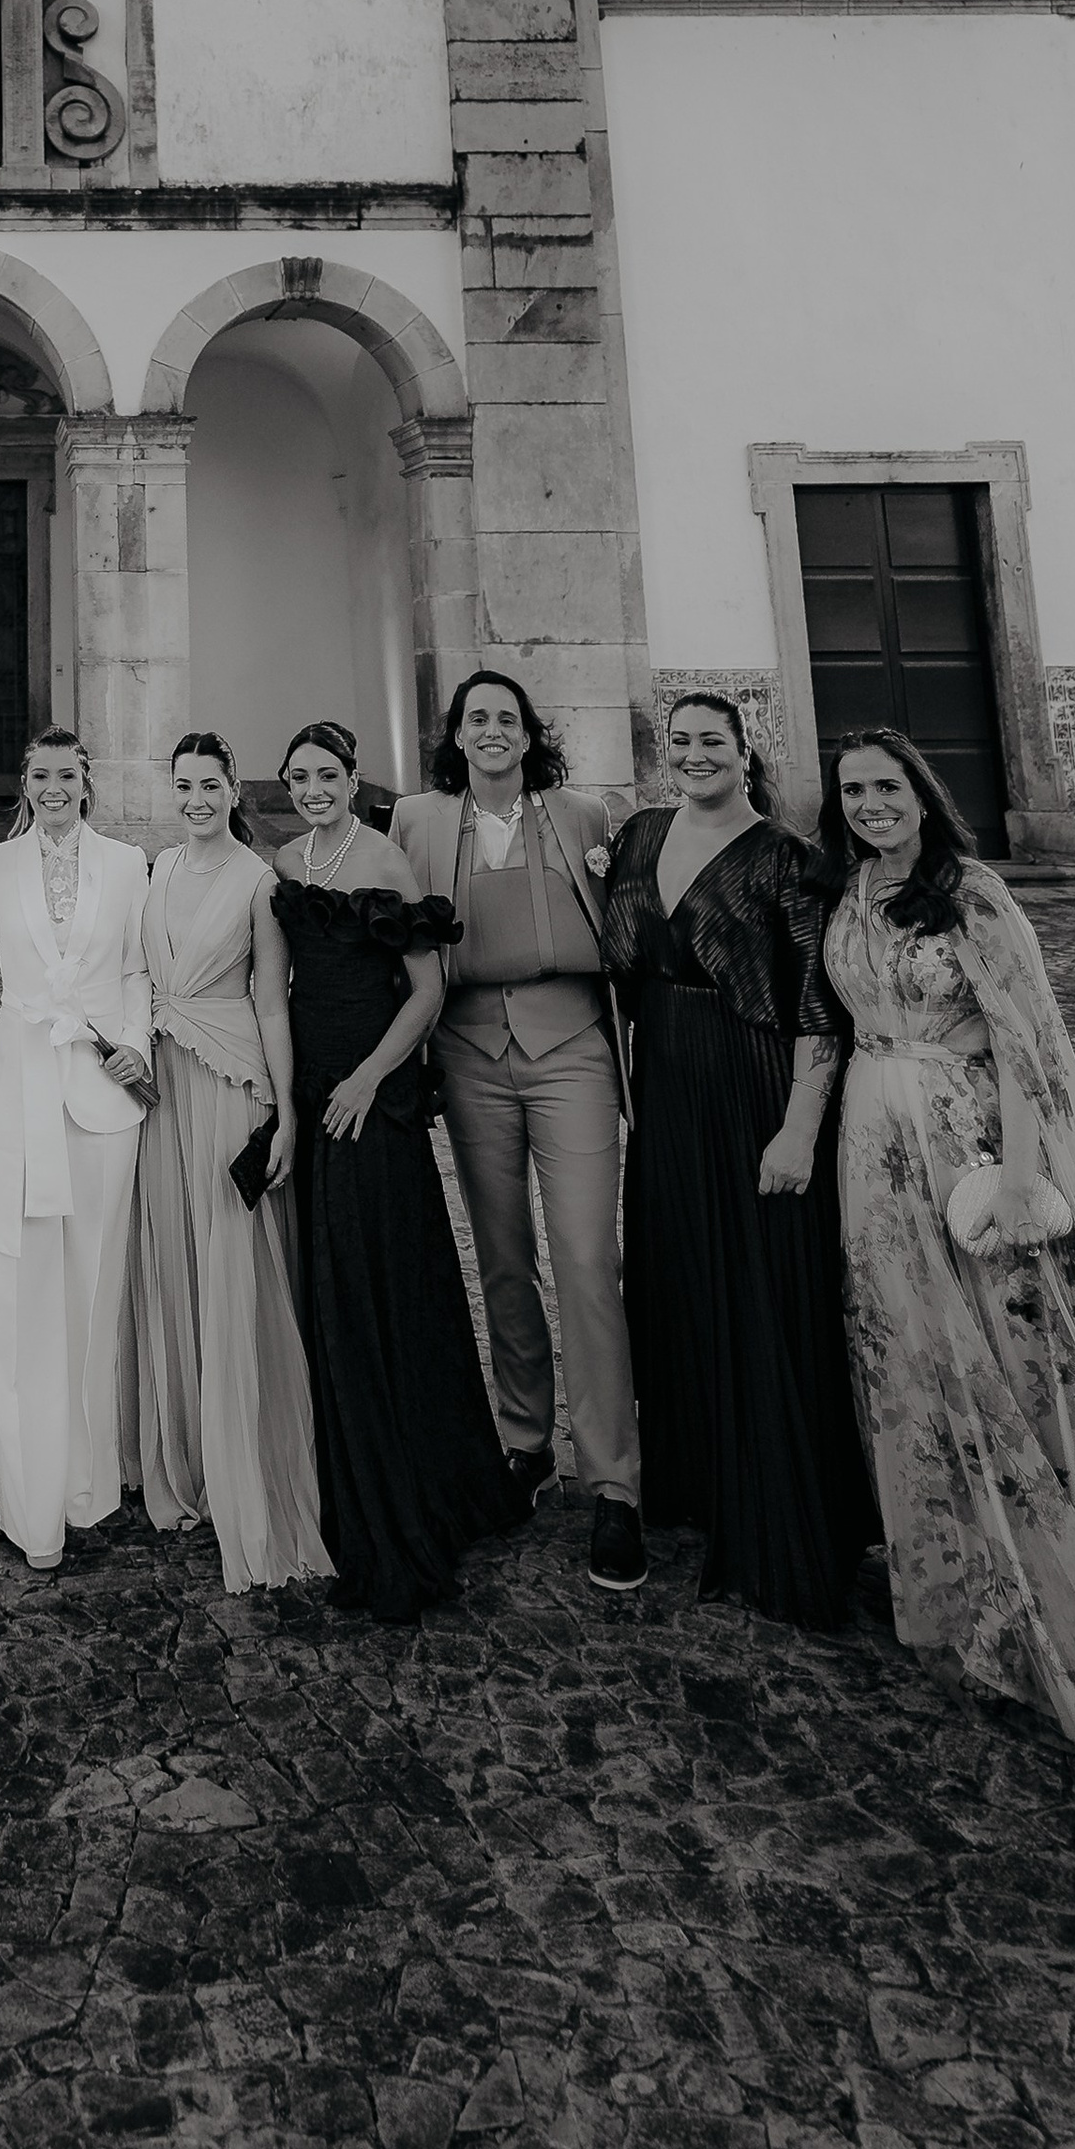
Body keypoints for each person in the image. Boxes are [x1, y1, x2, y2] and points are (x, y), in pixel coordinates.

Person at [822, 725, 1075, 1786]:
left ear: (921, 791)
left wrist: (1014, 1174)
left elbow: (1023, 1043)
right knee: (909, 1353)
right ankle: (960, 1577)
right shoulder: (850, 889)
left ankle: (1059, 1575)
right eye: (852, 789)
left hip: (964, 1144)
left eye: (885, 786)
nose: (869, 803)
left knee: (1014, 1356)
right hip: (874, 1150)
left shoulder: (974, 894)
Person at [602, 693, 872, 1626]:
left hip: (753, 1081)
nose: (694, 754)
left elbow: (814, 1008)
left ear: (745, 749)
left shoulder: (787, 859)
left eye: (712, 740)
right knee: (678, 1275)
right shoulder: (638, 836)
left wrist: (800, 1127)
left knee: (758, 1281)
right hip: (667, 1085)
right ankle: (697, 1480)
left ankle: (771, 1500)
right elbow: (622, 973)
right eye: (679, 742)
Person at [388, 678, 645, 1592]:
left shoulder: (582, 813)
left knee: (585, 1254)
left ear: (532, 733)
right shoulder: (417, 821)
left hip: (570, 1041)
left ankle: (614, 1477)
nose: (491, 732)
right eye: (475, 719)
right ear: (453, 737)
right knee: (501, 1255)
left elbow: (628, 928)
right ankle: (525, 1439)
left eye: (507, 718)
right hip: (466, 1047)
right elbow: (395, 939)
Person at [275, 746, 516, 1619]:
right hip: (310, 1081)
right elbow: (278, 987)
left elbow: (426, 988)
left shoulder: (385, 859)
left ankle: (408, 1471)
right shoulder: (285, 863)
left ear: (352, 783)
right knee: (325, 1276)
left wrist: (369, 1079)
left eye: (326, 777)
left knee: (382, 1271)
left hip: (368, 1090)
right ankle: (334, 1466)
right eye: (298, 779)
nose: (312, 792)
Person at [120, 732, 330, 1596]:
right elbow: (137, 974)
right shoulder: (159, 867)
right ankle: (185, 1458)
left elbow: (273, 1004)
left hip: (231, 1074)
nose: (197, 797)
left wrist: (283, 1112)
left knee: (235, 1267)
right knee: (174, 1262)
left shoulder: (259, 880)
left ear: (233, 787)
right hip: (163, 1079)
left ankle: (250, 1469)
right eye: (184, 784)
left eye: (210, 784)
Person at [0, 729, 151, 1576]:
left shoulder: (130, 862)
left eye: (69, 774)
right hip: (20, 1088)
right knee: (25, 1291)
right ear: (24, 782)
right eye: (41, 774)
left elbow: (138, 972)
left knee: (94, 1287)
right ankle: (29, 1496)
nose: (55, 786)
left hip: (105, 1093)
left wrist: (135, 1044)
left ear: (87, 781)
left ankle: (85, 1482)